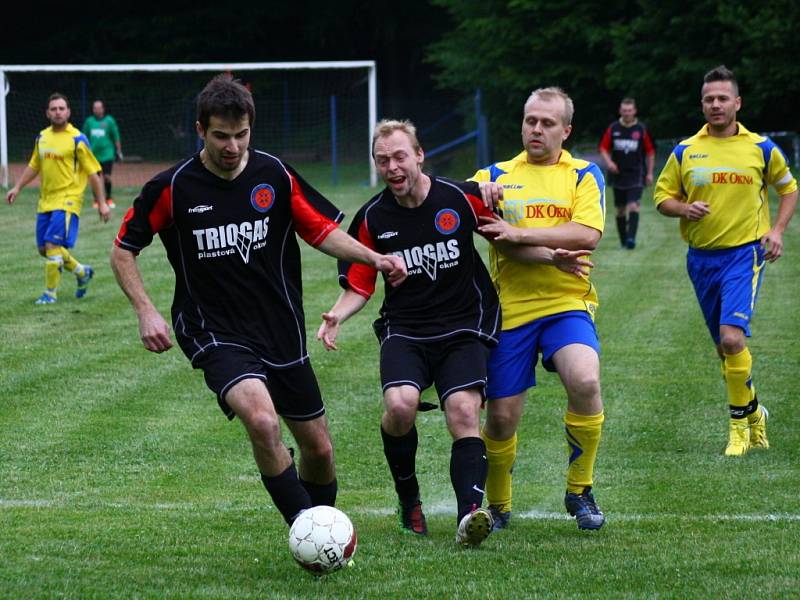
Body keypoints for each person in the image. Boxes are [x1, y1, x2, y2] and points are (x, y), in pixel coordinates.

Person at [109, 75, 407, 529]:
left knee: (319, 450)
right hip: (214, 330)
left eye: (242, 134)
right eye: (221, 136)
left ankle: (322, 528)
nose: (233, 146)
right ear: (200, 130)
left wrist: (373, 258)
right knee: (263, 423)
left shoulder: (274, 174)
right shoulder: (173, 187)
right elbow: (122, 248)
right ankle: (306, 531)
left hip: (280, 329)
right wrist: (145, 310)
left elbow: (321, 231)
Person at [316, 119, 593, 546]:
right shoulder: (372, 217)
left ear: (420, 155)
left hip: (464, 325)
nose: (392, 166)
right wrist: (338, 314)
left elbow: (503, 239)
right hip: (406, 330)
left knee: (464, 412)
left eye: (399, 156)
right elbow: (359, 282)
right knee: (401, 406)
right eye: (382, 159)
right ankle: (409, 499)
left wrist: (550, 257)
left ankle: (470, 514)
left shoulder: (457, 198)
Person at [473, 87, 607, 531]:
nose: (536, 129)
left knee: (585, 378)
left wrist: (522, 233)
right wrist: (483, 197)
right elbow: (494, 235)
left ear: (566, 131)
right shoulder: (494, 176)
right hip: (509, 309)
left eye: (547, 123)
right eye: (531, 120)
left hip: (567, 301)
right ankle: (499, 504)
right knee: (502, 417)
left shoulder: (584, 174)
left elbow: (586, 233)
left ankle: (580, 490)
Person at [654, 65, 797, 457]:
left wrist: (777, 230)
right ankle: (755, 413)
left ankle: (738, 427)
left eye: (722, 98)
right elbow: (662, 198)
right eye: (708, 99)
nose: (715, 105)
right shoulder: (686, 150)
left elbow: (789, 189)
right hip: (700, 259)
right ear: (702, 105)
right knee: (724, 348)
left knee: (733, 338)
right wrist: (684, 207)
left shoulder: (762, 148)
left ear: (737, 103)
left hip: (744, 254)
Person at [6, 93, 110, 304]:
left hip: (68, 199)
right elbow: (34, 165)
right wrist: (17, 187)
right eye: (53, 109)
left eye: (61, 108)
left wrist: (102, 203)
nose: (58, 112)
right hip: (46, 200)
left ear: (68, 112)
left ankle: (50, 294)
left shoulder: (77, 139)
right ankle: (82, 272)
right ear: (47, 113)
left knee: (52, 245)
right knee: (44, 249)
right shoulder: (42, 137)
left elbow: (93, 173)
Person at [598, 97, 655, 249]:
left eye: (630, 110)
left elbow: (650, 152)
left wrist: (649, 173)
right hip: (618, 175)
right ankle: (623, 241)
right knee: (620, 210)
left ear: (634, 111)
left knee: (633, 206)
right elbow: (603, 148)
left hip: (636, 174)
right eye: (624, 110)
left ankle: (631, 239)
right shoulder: (613, 128)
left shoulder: (641, 129)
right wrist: (609, 163)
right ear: (620, 111)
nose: (627, 113)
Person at [83, 99, 123, 208]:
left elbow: (116, 137)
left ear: (103, 109)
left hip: (107, 155)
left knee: (107, 177)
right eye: (95, 108)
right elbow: (84, 138)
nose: (97, 110)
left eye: (99, 107)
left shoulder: (109, 121)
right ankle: (96, 200)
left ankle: (108, 198)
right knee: (94, 178)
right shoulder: (89, 122)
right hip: (93, 156)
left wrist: (119, 151)